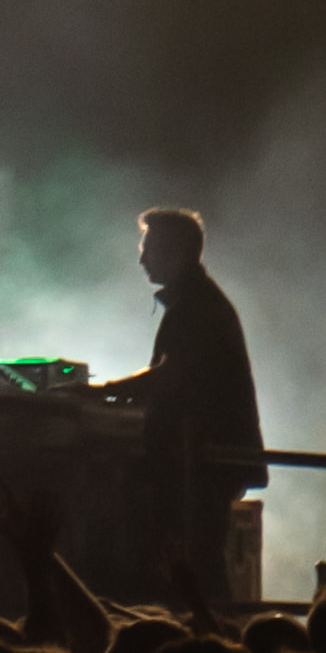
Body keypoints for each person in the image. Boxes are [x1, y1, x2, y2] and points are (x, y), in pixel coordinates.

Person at [99, 207, 264, 598]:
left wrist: (103, 391)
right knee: (197, 560)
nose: (142, 259)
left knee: (195, 559)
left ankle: (210, 629)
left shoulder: (196, 308)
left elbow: (170, 376)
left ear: (177, 252)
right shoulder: (200, 303)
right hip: (208, 459)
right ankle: (212, 628)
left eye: (149, 249)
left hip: (202, 462)